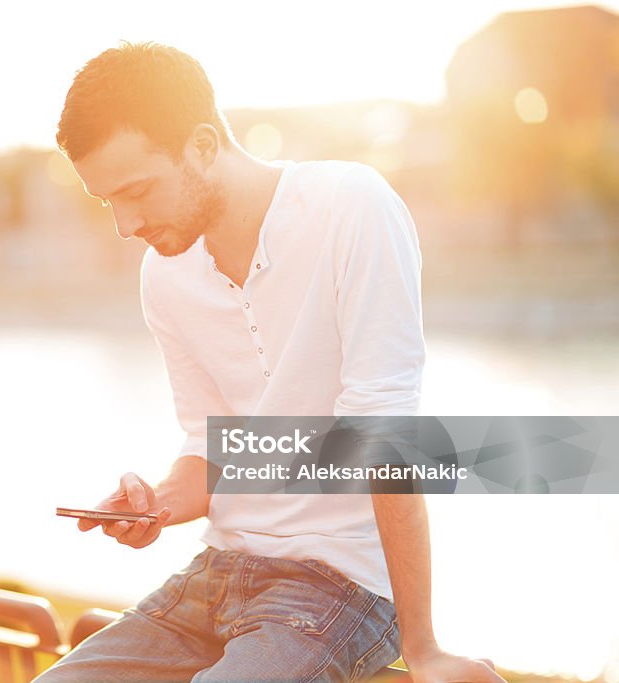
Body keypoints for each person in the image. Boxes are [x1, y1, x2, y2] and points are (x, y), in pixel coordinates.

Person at [34, 42, 505, 683]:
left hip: (339, 585)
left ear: (203, 145)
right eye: (107, 200)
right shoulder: (165, 276)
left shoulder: (349, 206)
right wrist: (158, 503)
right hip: (216, 574)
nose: (125, 223)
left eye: (137, 190)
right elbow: (216, 448)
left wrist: (422, 648)